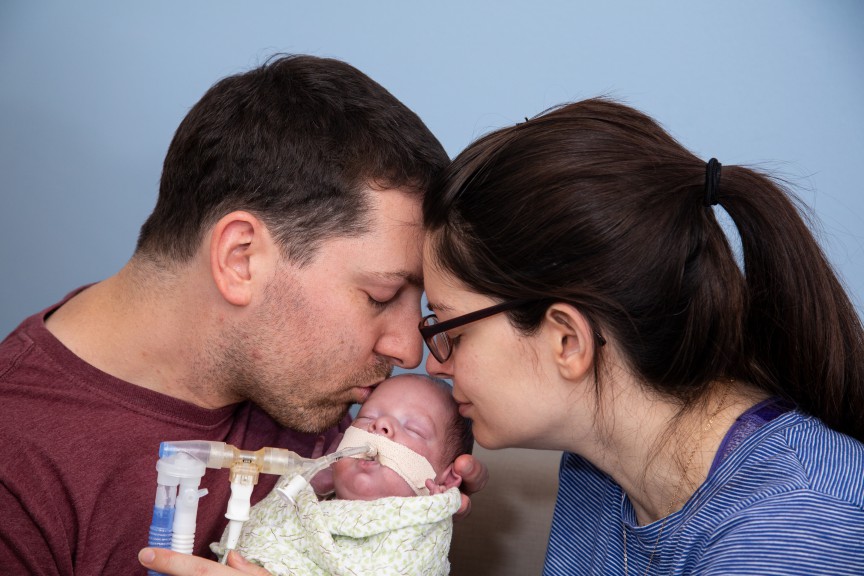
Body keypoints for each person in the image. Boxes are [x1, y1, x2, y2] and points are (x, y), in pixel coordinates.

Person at [0, 54, 487, 576]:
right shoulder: (19, 463)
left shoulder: (309, 397)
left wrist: (406, 525)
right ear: (241, 259)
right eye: (380, 295)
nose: (408, 350)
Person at [419, 97, 864, 575]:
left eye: (453, 331)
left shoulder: (789, 533)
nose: (433, 364)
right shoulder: (599, 466)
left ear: (567, 340)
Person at [210, 373, 473, 575]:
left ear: (445, 480)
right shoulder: (308, 500)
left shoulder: (420, 532)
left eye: (413, 429)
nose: (379, 425)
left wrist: (436, 510)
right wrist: (310, 484)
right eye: (366, 416)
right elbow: (256, 533)